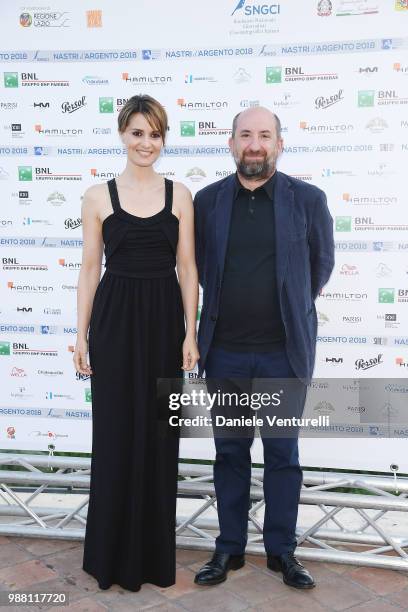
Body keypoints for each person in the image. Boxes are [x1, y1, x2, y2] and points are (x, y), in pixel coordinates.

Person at [193, 106, 334, 589]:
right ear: (231, 143)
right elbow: (196, 268)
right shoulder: (207, 202)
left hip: (282, 354)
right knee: (229, 453)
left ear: (279, 143)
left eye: (265, 135)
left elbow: (320, 266)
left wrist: (291, 307)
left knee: (282, 455)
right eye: (246, 135)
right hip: (224, 353)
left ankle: (282, 552)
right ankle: (228, 549)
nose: (255, 144)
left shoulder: (308, 200)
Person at [73, 94, 199, 592]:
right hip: (116, 319)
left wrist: (190, 332)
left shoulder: (181, 194)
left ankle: (150, 557)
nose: (146, 142)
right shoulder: (96, 196)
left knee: (159, 437)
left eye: (155, 134)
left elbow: (187, 269)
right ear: (122, 134)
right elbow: (88, 269)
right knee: (115, 434)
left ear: (163, 139)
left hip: (164, 320)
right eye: (137, 132)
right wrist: (79, 335)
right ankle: (109, 557)